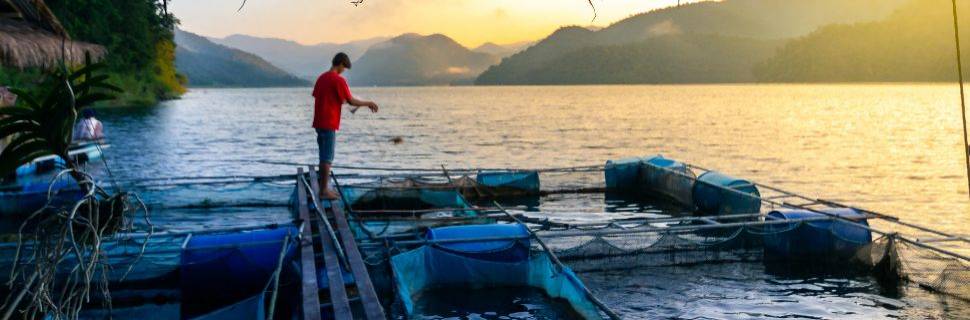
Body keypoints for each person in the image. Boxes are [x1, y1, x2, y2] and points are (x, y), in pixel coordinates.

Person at [312, 52, 378, 199]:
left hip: (318, 122)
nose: (344, 71)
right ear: (341, 64)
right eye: (344, 68)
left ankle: (324, 188)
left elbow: (322, 97)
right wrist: (368, 103)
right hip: (329, 122)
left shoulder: (321, 78)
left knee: (323, 156)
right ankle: (324, 191)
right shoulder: (338, 80)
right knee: (327, 157)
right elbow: (351, 101)